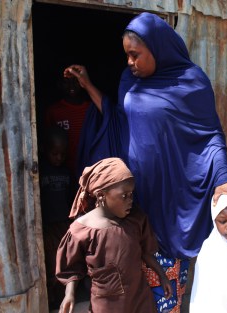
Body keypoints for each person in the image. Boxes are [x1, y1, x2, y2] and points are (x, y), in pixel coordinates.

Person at [63, 12, 227, 311]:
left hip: (170, 201)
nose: (129, 62)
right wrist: (87, 85)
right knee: (127, 285)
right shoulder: (129, 80)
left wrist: (224, 177)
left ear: (158, 48)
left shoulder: (191, 82)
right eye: (127, 55)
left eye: (135, 55)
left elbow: (210, 136)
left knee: (164, 289)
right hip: (135, 199)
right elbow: (117, 119)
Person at [56, 157, 173, 313]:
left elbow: (145, 252)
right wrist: (69, 294)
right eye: (124, 196)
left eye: (131, 194)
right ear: (101, 195)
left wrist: (162, 276)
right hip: (107, 304)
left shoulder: (135, 220)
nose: (130, 200)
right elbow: (71, 268)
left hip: (139, 298)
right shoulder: (81, 231)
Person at [39, 126, 74, 309]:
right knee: (50, 261)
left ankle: (63, 297)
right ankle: (50, 297)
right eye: (55, 154)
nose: (59, 158)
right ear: (45, 150)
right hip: (47, 225)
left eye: (62, 154)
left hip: (63, 224)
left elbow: (70, 198)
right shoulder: (40, 172)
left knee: (64, 261)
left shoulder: (66, 173)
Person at [44, 75, 91, 178]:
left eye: (75, 80)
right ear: (60, 84)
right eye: (66, 81)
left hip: (88, 169)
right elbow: (48, 142)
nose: (72, 85)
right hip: (61, 171)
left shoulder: (91, 109)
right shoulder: (54, 111)